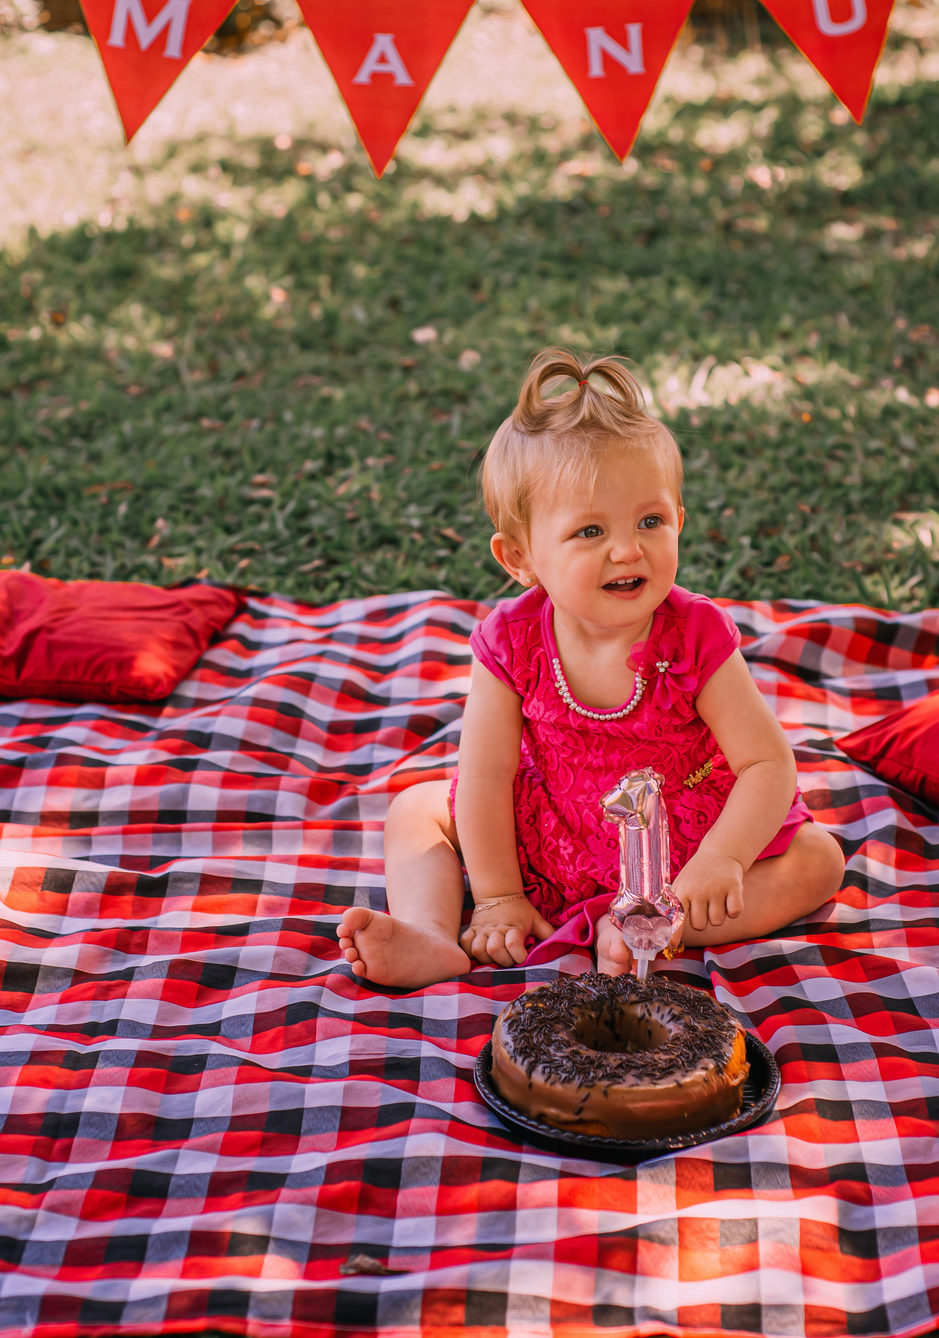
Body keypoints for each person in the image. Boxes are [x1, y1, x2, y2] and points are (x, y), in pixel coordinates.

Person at [339, 348, 844, 988]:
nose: (628, 548)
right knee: (416, 810)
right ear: (520, 557)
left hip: (674, 846)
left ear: (680, 522)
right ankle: (434, 936)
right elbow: (486, 775)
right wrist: (495, 895)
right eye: (589, 532)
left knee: (818, 860)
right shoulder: (511, 642)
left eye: (651, 521)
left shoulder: (694, 634)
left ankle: (643, 927)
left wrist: (722, 859)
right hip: (549, 832)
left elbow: (767, 764)